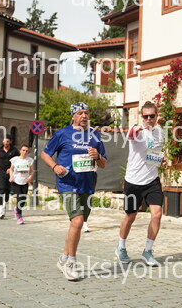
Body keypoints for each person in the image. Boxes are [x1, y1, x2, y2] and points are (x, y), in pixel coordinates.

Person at [41, 102, 107, 281]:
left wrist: (97, 156)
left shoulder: (94, 135)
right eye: (80, 113)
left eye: (86, 113)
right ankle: (71, 262)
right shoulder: (62, 134)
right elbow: (45, 154)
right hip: (67, 183)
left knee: (78, 223)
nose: (84, 116)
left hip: (87, 184)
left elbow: (103, 163)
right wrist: (55, 166)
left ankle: (63, 257)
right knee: (77, 221)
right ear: (73, 116)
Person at [115, 101, 165, 266]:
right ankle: (121, 247)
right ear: (141, 116)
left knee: (157, 214)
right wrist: (136, 129)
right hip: (133, 181)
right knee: (131, 216)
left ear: (156, 116)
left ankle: (147, 251)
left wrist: (162, 160)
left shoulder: (160, 133)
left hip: (152, 180)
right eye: (146, 116)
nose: (149, 119)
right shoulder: (136, 131)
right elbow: (131, 134)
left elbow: (154, 154)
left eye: (152, 116)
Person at [0, 136, 18, 219]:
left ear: (10, 142)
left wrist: (11, 169)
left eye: (7, 141)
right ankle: (1, 211)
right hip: (0, 171)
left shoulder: (14, 150)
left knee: (7, 192)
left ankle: (4, 205)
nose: (6, 143)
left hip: (10, 172)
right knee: (1, 189)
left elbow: (17, 160)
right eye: (5, 141)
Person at [8, 145, 34, 225]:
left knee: (23, 199)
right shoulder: (15, 159)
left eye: (26, 151)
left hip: (25, 181)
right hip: (16, 181)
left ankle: (17, 208)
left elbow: (32, 171)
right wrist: (11, 176)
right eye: (23, 150)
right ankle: (19, 216)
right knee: (19, 198)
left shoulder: (29, 160)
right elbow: (11, 169)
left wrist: (30, 177)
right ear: (20, 151)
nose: (25, 152)